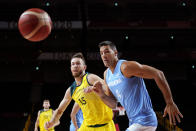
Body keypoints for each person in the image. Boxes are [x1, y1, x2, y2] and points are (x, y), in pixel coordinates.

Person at [91, 40, 183, 131]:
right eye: (101, 53)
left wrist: (169, 102)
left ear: (115, 53)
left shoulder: (125, 67)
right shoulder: (106, 75)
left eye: (107, 52)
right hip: (134, 122)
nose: (103, 55)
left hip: (145, 120)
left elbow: (158, 73)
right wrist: (102, 95)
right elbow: (113, 104)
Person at [45, 52, 116, 131]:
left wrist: (96, 89)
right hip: (87, 127)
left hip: (105, 126)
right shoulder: (71, 90)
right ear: (71, 68)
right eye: (73, 64)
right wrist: (52, 122)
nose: (75, 66)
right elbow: (60, 110)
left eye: (78, 63)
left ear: (84, 67)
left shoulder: (90, 78)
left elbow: (110, 88)